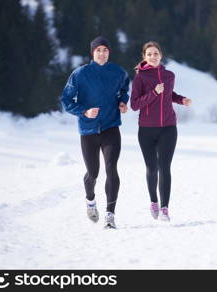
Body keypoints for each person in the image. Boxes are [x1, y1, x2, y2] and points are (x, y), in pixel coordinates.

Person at [61, 36, 130, 229]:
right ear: (92, 53)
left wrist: (123, 102)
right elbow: (66, 100)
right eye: (98, 50)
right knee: (93, 173)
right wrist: (84, 111)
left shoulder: (118, 72)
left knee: (111, 168)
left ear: (109, 52)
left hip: (110, 127)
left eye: (105, 50)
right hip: (88, 129)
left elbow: (124, 89)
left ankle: (110, 215)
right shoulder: (80, 74)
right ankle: (90, 200)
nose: (102, 53)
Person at [130, 41, 191, 221]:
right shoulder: (140, 78)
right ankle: (153, 201)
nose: (153, 56)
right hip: (147, 129)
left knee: (165, 168)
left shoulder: (169, 75)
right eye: (149, 54)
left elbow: (170, 94)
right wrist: (154, 93)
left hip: (168, 128)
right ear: (144, 57)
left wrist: (181, 100)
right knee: (152, 168)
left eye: (155, 53)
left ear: (161, 55)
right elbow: (134, 105)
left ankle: (165, 208)